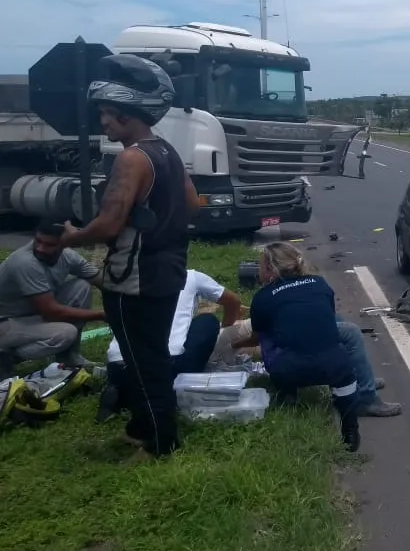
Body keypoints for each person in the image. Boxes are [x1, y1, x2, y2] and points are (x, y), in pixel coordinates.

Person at [59, 53, 199, 459]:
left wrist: (71, 236)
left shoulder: (132, 157)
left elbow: (107, 225)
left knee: (143, 365)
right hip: (168, 271)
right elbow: (191, 203)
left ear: (128, 112)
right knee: (150, 354)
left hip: (133, 278)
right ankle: (141, 428)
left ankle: (160, 443)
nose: (103, 122)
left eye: (108, 113)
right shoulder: (166, 151)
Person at [233, 242, 361, 451]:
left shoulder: (262, 298)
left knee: (270, 336)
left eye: (260, 265)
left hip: (288, 370)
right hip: (335, 368)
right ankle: (350, 432)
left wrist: (234, 344)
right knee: (329, 349)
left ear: (270, 269)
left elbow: (256, 338)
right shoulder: (320, 284)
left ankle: (287, 392)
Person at [96, 268, 245, 423]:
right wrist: (224, 328)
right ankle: (175, 391)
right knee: (207, 321)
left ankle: (119, 391)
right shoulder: (190, 276)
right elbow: (233, 301)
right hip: (166, 366)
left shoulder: (128, 279)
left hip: (118, 364)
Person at [213, 315, 402, 418]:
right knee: (348, 331)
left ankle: (360, 379)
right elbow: (258, 333)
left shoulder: (268, 296)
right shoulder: (307, 286)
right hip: (293, 364)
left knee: (336, 320)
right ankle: (365, 398)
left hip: (284, 365)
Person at [0, 220, 106, 380]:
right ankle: (4, 356)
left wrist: (132, 300)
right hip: (6, 322)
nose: (40, 248)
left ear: (64, 244)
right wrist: (102, 315)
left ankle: (69, 357)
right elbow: (50, 312)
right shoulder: (25, 262)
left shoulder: (68, 256)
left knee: (82, 286)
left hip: (31, 315)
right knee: (65, 333)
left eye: (49, 244)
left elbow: (102, 281)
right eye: (38, 241)